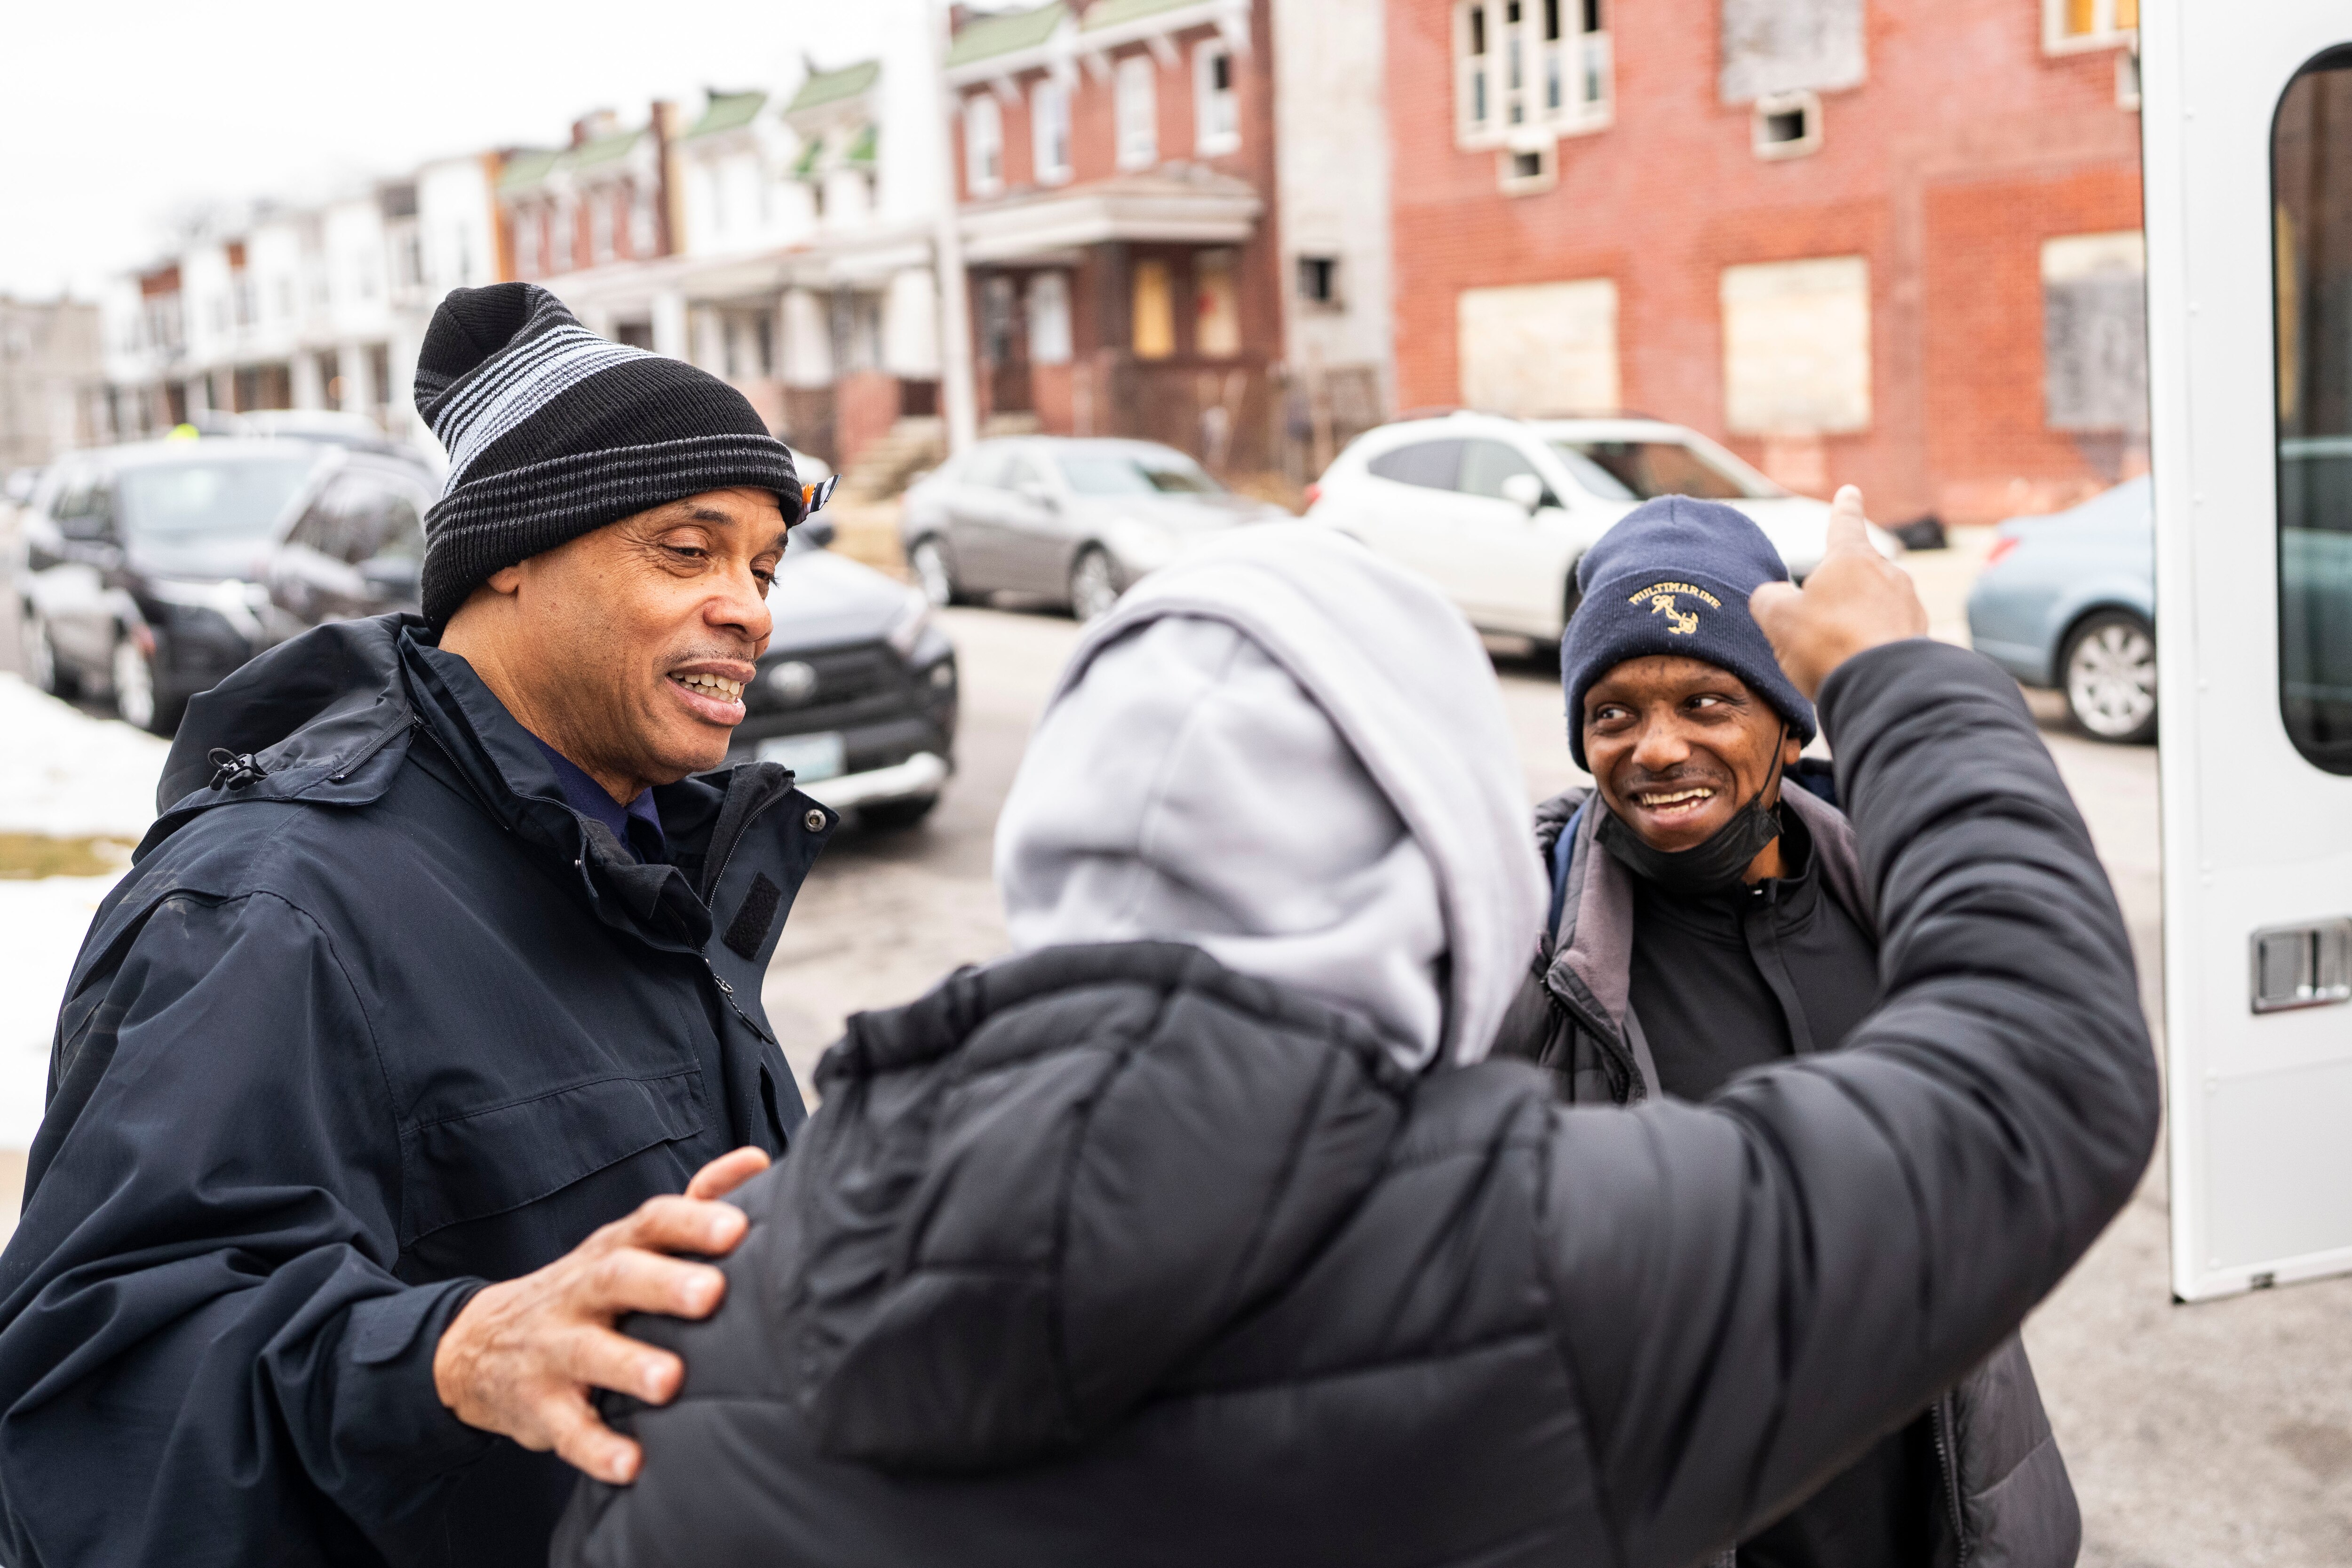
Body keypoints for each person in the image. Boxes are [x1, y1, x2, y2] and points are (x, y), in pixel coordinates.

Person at [553, 515, 2159, 1568]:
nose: (1656, 747)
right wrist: (1906, 678)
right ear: (1449, 864)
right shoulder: (1544, 1265)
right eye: (1613, 709)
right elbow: (2040, 1068)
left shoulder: (682, 1298)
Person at [0, 282, 837, 1565]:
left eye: (764, 565)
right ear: (514, 549)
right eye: (689, 549)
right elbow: (98, 1395)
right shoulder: (270, 905)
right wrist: (449, 1356)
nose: (752, 607)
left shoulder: (650, 857)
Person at [1489, 489, 2077, 1565]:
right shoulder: (1522, 947)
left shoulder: (1898, 891)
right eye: (1612, 712)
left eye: (1706, 700)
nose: (1654, 748)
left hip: (1934, 1507)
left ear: (1784, 717)